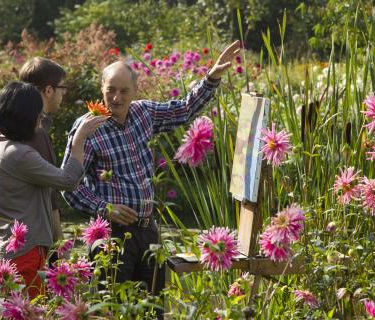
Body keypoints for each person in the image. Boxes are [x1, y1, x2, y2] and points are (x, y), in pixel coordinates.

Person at [61, 41, 241, 305]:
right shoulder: (88, 127)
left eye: (124, 91)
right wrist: (104, 207)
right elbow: (69, 185)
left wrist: (211, 78)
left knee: (152, 307)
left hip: (148, 231)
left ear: (135, 90)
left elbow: (185, 109)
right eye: (110, 90)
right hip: (112, 236)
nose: (116, 98)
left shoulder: (143, 112)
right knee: (113, 307)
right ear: (101, 89)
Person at [0, 81, 106, 298]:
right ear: (26, 117)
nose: (41, 119)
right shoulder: (19, 154)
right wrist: (80, 138)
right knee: (31, 311)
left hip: (1, 253)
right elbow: (68, 180)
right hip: (25, 254)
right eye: (38, 114)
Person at [18, 57, 68, 247]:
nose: (63, 94)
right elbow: (51, 193)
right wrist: (60, 248)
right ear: (49, 90)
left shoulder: (11, 126)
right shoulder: (36, 131)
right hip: (35, 241)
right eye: (62, 88)